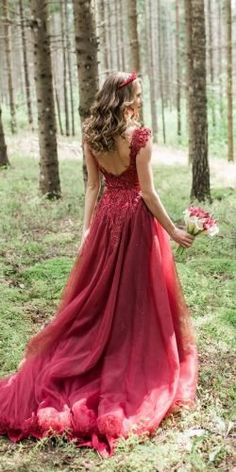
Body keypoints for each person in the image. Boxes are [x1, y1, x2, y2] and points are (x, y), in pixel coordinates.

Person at [0, 71, 198, 457]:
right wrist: (173, 230)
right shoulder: (138, 136)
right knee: (134, 291)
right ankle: (126, 351)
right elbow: (148, 192)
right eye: (136, 95)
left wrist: (87, 231)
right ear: (125, 99)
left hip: (108, 217)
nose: (138, 101)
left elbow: (93, 185)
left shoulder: (92, 130)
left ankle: (105, 342)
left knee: (99, 292)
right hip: (137, 223)